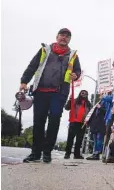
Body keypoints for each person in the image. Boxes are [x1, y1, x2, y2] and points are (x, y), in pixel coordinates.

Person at [20, 28, 81, 163]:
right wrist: (24, 81)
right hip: (41, 91)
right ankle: (35, 153)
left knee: (54, 120)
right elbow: (33, 66)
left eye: (67, 36)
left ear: (69, 39)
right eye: (62, 35)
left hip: (59, 93)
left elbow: (78, 71)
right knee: (38, 122)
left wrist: (76, 75)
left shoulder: (73, 55)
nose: (64, 38)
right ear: (57, 36)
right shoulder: (45, 50)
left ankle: (47, 152)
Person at [63, 90, 92, 159]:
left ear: (87, 95)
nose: (84, 94)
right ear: (80, 93)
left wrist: (88, 122)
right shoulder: (75, 101)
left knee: (79, 140)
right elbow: (67, 108)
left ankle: (77, 154)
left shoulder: (89, 104)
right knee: (70, 138)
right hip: (73, 122)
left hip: (83, 124)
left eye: (85, 93)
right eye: (82, 93)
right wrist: (70, 100)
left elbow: (91, 114)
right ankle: (67, 153)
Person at [86, 95, 106, 160]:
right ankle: (94, 153)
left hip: (101, 124)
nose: (101, 96)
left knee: (99, 139)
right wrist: (88, 122)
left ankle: (97, 153)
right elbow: (92, 114)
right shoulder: (97, 103)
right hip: (95, 125)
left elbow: (106, 112)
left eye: (102, 95)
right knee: (95, 140)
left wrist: (100, 108)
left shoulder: (106, 103)